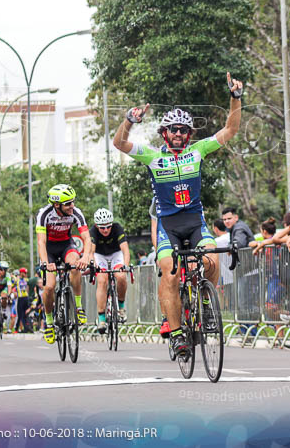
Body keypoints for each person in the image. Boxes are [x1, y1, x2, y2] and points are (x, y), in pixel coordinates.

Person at [113, 72, 244, 359]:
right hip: (168, 226)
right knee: (170, 273)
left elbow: (230, 130)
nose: (178, 133)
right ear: (164, 133)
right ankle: (175, 335)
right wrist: (129, 121)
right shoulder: (152, 156)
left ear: (189, 135)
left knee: (211, 258)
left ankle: (206, 305)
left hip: (195, 221)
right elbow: (119, 144)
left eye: (183, 130)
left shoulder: (197, 151)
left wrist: (235, 98)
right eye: (172, 129)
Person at [36, 183, 92, 345]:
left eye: (73, 202)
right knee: (49, 286)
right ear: (56, 204)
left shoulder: (76, 213)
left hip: (66, 245)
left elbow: (87, 238)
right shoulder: (44, 214)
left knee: (75, 265)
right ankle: (48, 322)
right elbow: (41, 242)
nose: (72, 206)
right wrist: (46, 263)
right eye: (68, 203)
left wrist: (85, 257)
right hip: (49, 250)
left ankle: (78, 307)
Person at [89, 208, 131, 334]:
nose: (106, 230)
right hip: (99, 255)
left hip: (116, 254)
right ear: (97, 226)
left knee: (121, 276)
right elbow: (91, 252)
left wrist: (125, 265)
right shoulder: (93, 232)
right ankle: (101, 319)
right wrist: (94, 266)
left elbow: (125, 251)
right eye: (102, 227)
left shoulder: (117, 228)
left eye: (108, 226)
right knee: (102, 280)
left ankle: (121, 307)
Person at [14, 268, 32, 333]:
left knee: (25, 314)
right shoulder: (17, 280)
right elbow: (12, 284)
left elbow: (28, 287)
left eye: (26, 273)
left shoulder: (26, 280)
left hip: (26, 298)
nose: (25, 274)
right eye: (24, 273)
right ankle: (16, 328)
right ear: (21, 273)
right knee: (19, 314)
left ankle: (27, 328)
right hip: (20, 298)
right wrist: (14, 292)